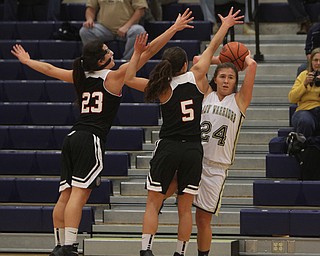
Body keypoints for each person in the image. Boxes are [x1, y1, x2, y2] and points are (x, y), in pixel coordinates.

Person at [11, 9, 194, 256]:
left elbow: (50, 70)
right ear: (101, 61)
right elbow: (149, 52)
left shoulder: (80, 75)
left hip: (72, 137)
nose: (112, 52)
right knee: (79, 194)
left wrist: (27, 61)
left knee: (64, 194)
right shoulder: (113, 77)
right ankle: (68, 246)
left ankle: (58, 244)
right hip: (91, 138)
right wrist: (174, 28)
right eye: (108, 52)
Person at [124, 7, 244, 256]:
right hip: (192, 149)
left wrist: (137, 53)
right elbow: (213, 46)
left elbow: (127, 77)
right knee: (185, 208)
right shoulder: (198, 76)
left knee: (153, 202)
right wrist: (225, 24)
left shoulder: (160, 87)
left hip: (168, 146)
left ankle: (146, 249)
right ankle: (180, 252)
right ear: (186, 64)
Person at [192, 54, 257, 256]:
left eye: (231, 77)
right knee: (180, 209)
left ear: (236, 81)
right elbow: (197, 61)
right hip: (194, 160)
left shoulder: (239, 101)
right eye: (222, 76)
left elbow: (252, 64)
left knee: (203, 219)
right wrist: (223, 58)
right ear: (215, 78)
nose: (226, 80)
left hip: (216, 169)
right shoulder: (205, 94)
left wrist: (240, 58)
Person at [79, 0, 148, 60]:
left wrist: (126, 26)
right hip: (104, 28)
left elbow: (140, 10)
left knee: (139, 30)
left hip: (128, 28)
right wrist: (89, 19)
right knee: (85, 31)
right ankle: (96, 60)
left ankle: (128, 61)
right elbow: (90, 8)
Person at [288, 47, 320, 138]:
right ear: (311, 61)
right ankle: (303, 150)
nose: (318, 63)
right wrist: (304, 84)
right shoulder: (303, 75)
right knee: (305, 121)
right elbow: (292, 98)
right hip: (305, 111)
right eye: (315, 60)